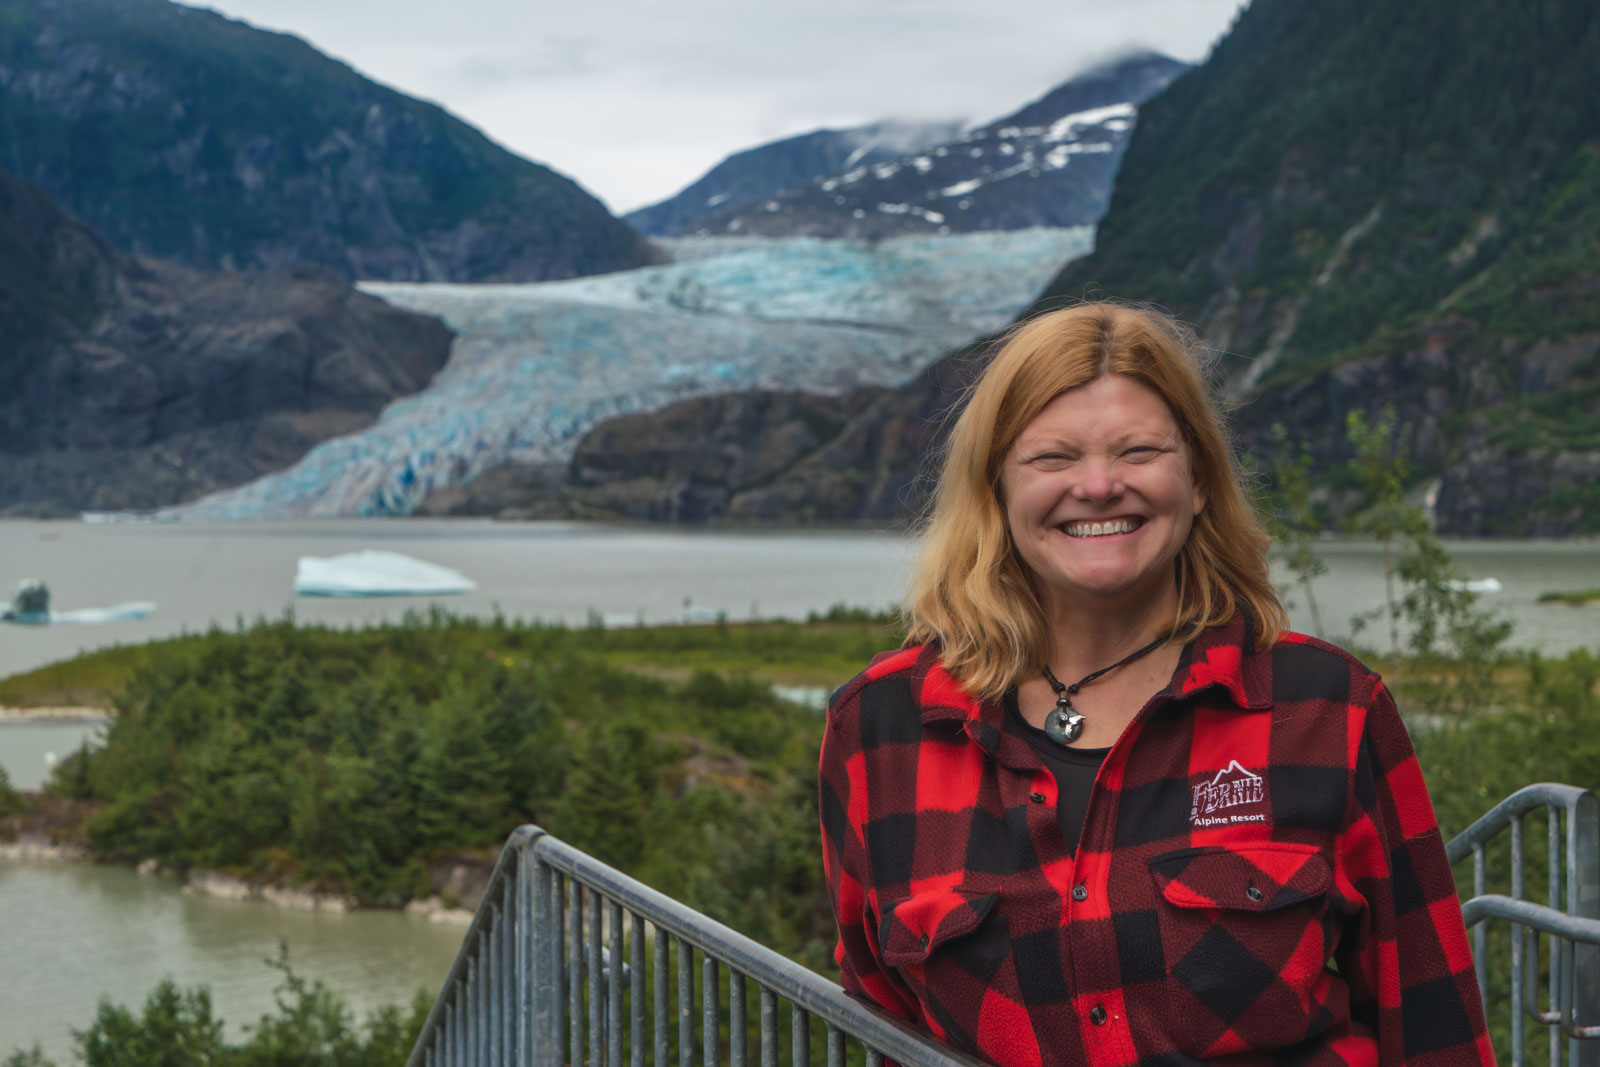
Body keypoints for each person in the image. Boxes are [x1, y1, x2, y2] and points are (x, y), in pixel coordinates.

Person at [819, 303, 1494, 1065]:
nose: (1100, 485)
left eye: (1139, 451)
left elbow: (1435, 1023)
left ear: (1200, 479)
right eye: (1053, 458)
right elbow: (883, 1021)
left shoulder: (1328, 708)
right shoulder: (880, 728)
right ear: (996, 490)